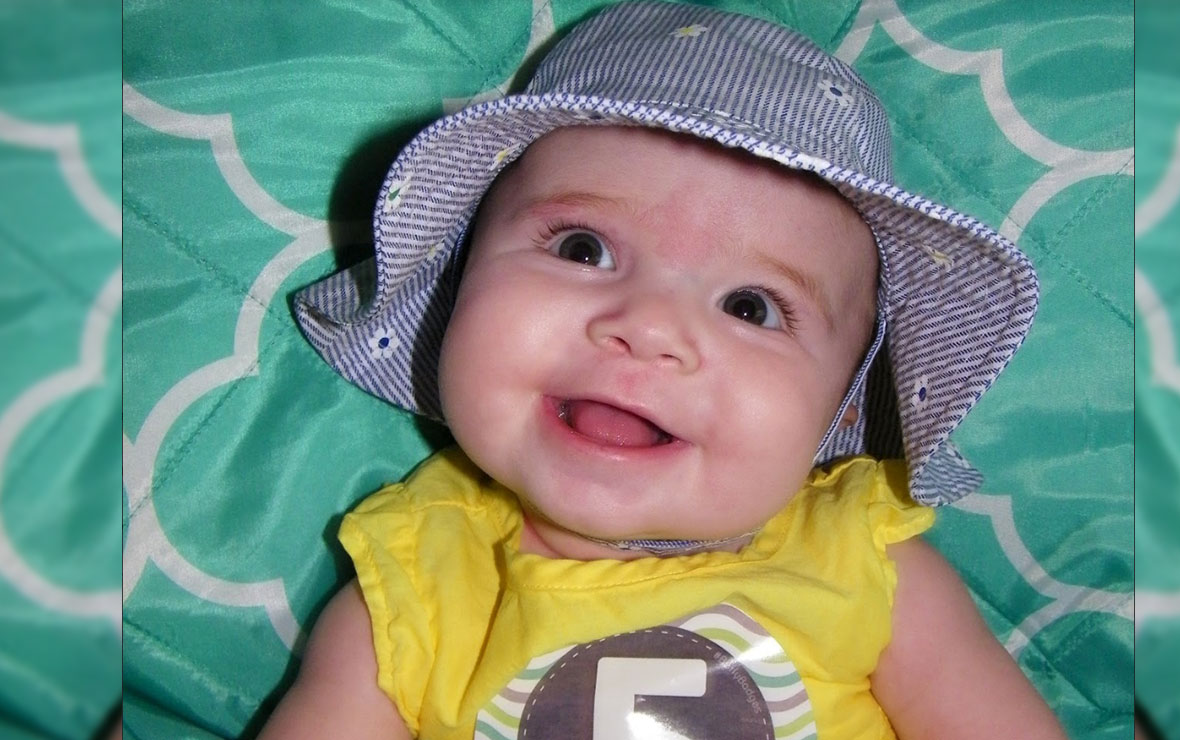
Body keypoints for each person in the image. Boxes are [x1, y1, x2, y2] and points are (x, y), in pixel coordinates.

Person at [262, 3, 1066, 738]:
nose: (648, 328)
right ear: (457, 283)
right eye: (583, 248)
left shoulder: (871, 568)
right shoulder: (412, 583)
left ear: (844, 410)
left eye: (751, 306)